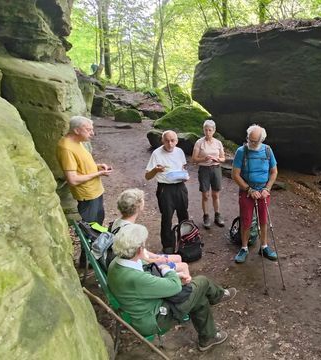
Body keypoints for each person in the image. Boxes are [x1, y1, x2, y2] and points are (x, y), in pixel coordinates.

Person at [108, 224, 237, 351]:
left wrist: (175, 274)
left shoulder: (117, 263)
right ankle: (218, 296)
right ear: (138, 250)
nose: (144, 247)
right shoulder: (134, 278)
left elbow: (146, 267)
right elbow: (174, 287)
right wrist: (168, 270)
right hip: (155, 318)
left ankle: (208, 337)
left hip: (145, 304)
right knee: (202, 282)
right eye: (143, 245)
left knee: (198, 297)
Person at [57, 115, 112, 266]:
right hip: (87, 195)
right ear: (76, 130)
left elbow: (81, 167)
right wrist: (99, 173)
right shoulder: (66, 148)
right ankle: (87, 261)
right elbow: (73, 179)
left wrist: (97, 166)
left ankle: (95, 256)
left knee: (97, 225)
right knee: (90, 230)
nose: (92, 133)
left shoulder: (78, 142)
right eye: (88, 130)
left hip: (95, 191)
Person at [110, 188, 190, 280]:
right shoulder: (132, 232)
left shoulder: (117, 222)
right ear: (139, 206)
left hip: (133, 260)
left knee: (178, 257)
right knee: (183, 266)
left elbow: (141, 253)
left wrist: (155, 256)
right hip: (142, 267)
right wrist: (157, 260)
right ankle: (184, 287)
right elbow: (141, 260)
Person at [231, 124, 278, 264]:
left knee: (263, 220)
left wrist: (267, 188)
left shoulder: (268, 151)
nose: (250, 143)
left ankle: (264, 246)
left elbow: (274, 171)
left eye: (254, 141)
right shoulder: (241, 151)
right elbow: (235, 174)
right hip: (247, 192)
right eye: (249, 140)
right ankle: (244, 248)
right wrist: (248, 189)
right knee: (246, 220)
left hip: (264, 191)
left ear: (261, 140)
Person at [145, 130, 189, 254]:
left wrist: (185, 175)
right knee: (167, 218)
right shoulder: (156, 153)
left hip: (180, 186)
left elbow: (183, 168)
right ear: (162, 141)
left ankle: (185, 241)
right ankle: (168, 245)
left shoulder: (179, 152)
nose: (170, 144)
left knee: (184, 215)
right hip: (165, 188)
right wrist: (155, 170)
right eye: (167, 141)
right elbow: (147, 176)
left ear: (177, 141)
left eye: (172, 141)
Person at [191, 120, 226, 229]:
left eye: (210, 130)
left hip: (216, 168)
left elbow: (223, 158)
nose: (207, 132)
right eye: (205, 130)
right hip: (204, 169)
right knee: (205, 195)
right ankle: (206, 216)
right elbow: (194, 159)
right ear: (203, 130)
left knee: (215, 194)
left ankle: (217, 215)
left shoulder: (218, 143)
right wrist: (204, 158)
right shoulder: (199, 142)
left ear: (214, 131)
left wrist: (217, 159)